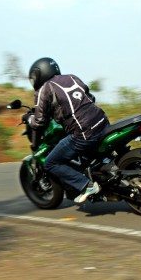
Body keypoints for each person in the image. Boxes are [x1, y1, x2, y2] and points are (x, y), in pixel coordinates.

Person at [23, 57, 110, 203]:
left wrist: (28, 119)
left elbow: (39, 121)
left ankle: (86, 185)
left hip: (84, 133)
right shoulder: (72, 77)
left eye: (34, 77)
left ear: (40, 74)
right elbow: (91, 97)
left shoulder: (44, 89)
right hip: (103, 122)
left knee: (51, 162)